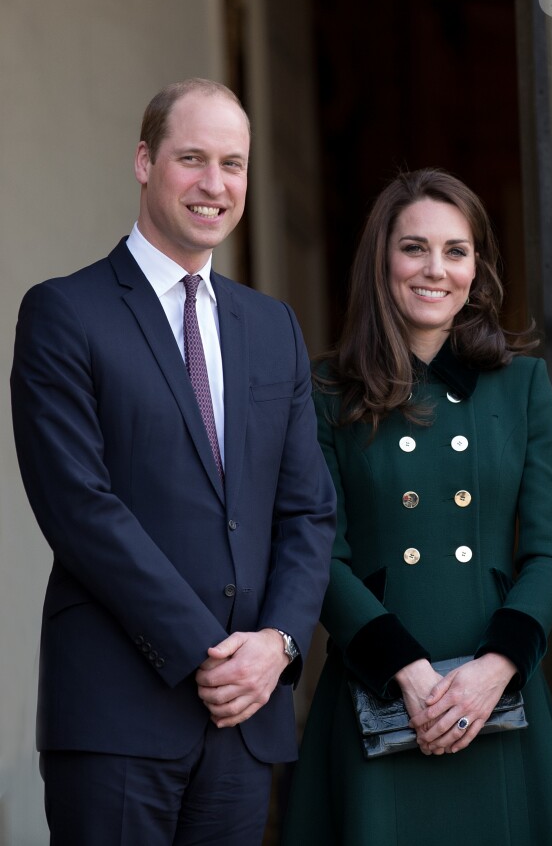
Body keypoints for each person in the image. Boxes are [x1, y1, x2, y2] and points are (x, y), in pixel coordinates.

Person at [10, 77, 336, 846]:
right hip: (118, 714)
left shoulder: (272, 327)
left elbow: (307, 509)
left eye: (234, 163)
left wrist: (279, 645)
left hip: (243, 721)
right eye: (193, 159)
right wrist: (205, 651)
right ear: (144, 161)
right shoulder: (64, 312)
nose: (215, 185)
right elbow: (79, 507)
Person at [282, 168, 552, 845]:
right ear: (381, 259)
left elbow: (549, 552)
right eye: (414, 247)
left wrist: (493, 672)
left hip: (498, 696)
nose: (435, 269)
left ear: (477, 268)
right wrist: (407, 674)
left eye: (456, 250)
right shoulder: (328, 391)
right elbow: (319, 553)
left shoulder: (522, 383)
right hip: (379, 695)